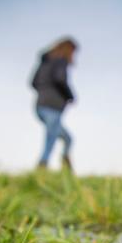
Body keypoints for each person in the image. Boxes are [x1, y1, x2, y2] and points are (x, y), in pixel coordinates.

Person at [31, 37, 78, 171]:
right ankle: (42, 165)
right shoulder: (61, 61)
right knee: (50, 138)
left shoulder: (45, 62)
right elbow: (60, 79)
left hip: (40, 106)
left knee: (68, 138)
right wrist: (70, 96)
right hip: (52, 106)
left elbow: (33, 82)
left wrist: (44, 91)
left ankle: (65, 162)